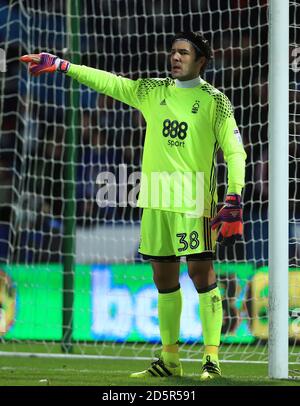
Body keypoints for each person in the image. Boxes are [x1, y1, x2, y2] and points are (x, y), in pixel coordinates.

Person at [20, 31, 246, 380]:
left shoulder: (216, 101)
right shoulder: (151, 91)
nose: (175, 57)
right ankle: (170, 359)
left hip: (195, 201)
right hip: (155, 199)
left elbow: (235, 151)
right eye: (173, 52)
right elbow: (109, 82)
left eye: (183, 53)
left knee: (201, 275)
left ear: (201, 60)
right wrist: (63, 65)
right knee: (163, 279)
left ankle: (211, 360)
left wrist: (234, 195)